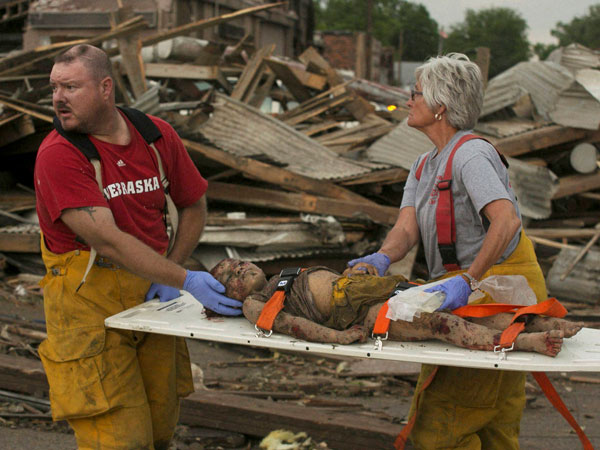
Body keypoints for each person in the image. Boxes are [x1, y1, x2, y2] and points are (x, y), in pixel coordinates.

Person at [34, 44, 242, 450]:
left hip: (152, 298)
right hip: (87, 307)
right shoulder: (58, 155)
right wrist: (184, 278)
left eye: (71, 87)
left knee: (160, 429)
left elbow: (193, 202)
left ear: (105, 87)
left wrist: (172, 269)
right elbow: (107, 240)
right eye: (54, 87)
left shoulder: (154, 136)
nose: (58, 98)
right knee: (120, 440)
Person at [347, 53, 550, 449]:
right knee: (493, 416)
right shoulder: (423, 164)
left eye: (416, 94)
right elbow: (406, 229)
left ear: (440, 107)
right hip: (467, 288)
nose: (408, 100)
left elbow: (505, 221)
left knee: (444, 418)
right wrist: (383, 256)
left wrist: (468, 280)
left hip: (501, 289)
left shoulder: (471, 155)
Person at [208, 258, 582, 357]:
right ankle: (523, 342)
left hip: (379, 291)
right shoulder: (256, 304)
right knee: (442, 324)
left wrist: (362, 269)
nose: (239, 268)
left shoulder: (285, 276)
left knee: (468, 308)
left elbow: (338, 282)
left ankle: (539, 324)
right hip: (363, 316)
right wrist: (339, 337)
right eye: (230, 276)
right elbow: (292, 326)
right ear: (232, 295)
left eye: (238, 262)